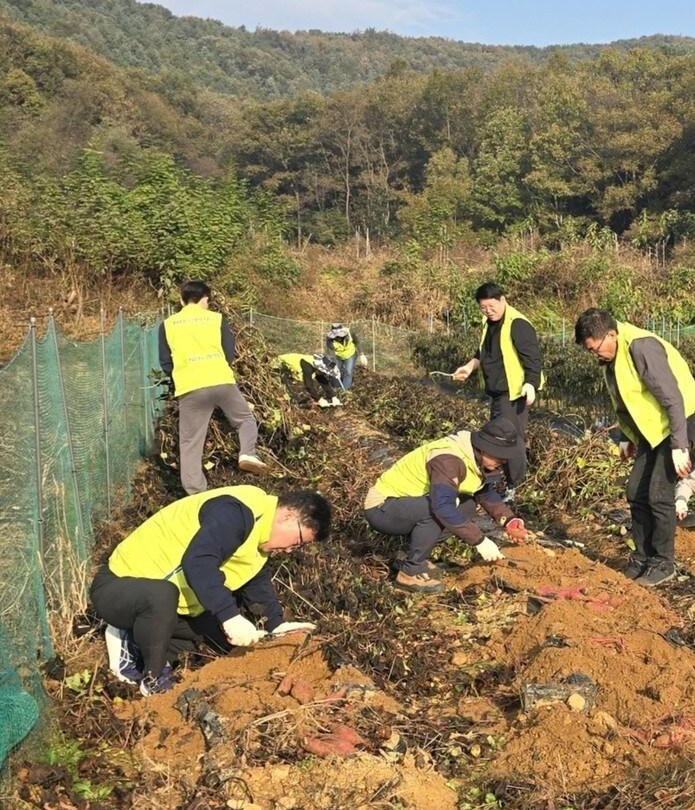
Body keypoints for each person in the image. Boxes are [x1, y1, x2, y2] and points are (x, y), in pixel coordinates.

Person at [93, 486, 330, 696]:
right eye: (298, 542)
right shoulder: (236, 511)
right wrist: (230, 615)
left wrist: (275, 625)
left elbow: (257, 584)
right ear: (288, 515)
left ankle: (134, 641)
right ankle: (153, 678)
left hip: (166, 607)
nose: (291, 550)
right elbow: (198, 561)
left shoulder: (260, 542)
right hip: (119, 587)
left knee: (221, 639)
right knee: (162, 595)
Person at [575, 308, 695, 587]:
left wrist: (680, 445)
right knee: (635, 490)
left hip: (679, 421)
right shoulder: (612, 355)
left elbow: (673, 398)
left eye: (595, 348)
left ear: (610, 334)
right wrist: (626, 436)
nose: (594, 355)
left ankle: (663, 562)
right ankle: (643, 556)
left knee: (659, 494)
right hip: (652, 429)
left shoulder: (641, 347)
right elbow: (625, 400)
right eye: (590, 352)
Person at [363, 418, 527, 595]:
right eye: (499, 456)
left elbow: (483, 492)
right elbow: (441, 507)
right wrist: (480, 541)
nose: (503, 461)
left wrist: (508, 520)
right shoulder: (449, 459)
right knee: (439, 510)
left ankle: (406, 556)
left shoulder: (476, 458)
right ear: (484, 447)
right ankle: (409, 573)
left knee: (467, 506)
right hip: (383, 507)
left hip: (408, 505)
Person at [159, 280, 270, 495]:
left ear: (182, 300)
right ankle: (247, 453)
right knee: (245, 420)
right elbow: (229, 353)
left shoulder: (168, 325)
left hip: (190, 387)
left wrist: (180, 377)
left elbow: (165, 362)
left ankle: (196, 493)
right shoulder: (217, 319)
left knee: (190, 442)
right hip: (221, 381)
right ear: (205, 299)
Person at [452, 283, 543, 482]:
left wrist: (531, 384)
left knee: (510, 439)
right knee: (500, 437)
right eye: (483, 308)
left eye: (491, 306)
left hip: (513, 393)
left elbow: (533, 358)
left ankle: (516, 483)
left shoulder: (517, 323)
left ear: (502, 300)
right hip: (497, 393)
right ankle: (506, 479)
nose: (488, 311)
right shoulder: (489, 324)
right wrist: (468, 367)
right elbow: (483, 353)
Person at [275, 353, 341, 407]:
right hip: (277, 365)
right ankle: (293, 404)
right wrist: (319, 399)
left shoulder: (317, 365)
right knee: (287, 387)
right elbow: (308, 386)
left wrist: (333, 396)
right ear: (320, 369)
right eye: (324, 373)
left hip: (286, 368)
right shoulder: (308, 367)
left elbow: (322, 380)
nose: (324, 374)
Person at [324, 324, 359, 390]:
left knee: (348, 372)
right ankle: (336, 388)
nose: (338, 338)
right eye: (336, 336)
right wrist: (331, 360)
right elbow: (330, 350)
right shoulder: (329, 338)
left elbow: (357, 342)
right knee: (335, 371)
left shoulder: (350, 332)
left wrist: (362, 354)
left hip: (350, 354)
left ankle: (344, 390)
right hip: (338, 356)